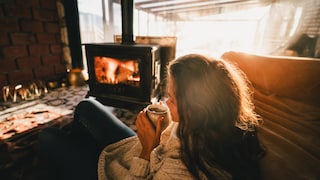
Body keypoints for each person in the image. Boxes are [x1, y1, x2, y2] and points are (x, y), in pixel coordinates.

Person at [39, 53, 265, 180]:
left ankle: (85, 155)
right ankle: (85, 149)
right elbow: (173, 134)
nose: (166, 102)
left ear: (196, 110)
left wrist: (147, 149)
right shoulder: (218, 122)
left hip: (137, 166)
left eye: (172, 99)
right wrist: (163, 126)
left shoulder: (184, 173)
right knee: (86, 106)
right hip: (144, 150)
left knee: (48, 136)